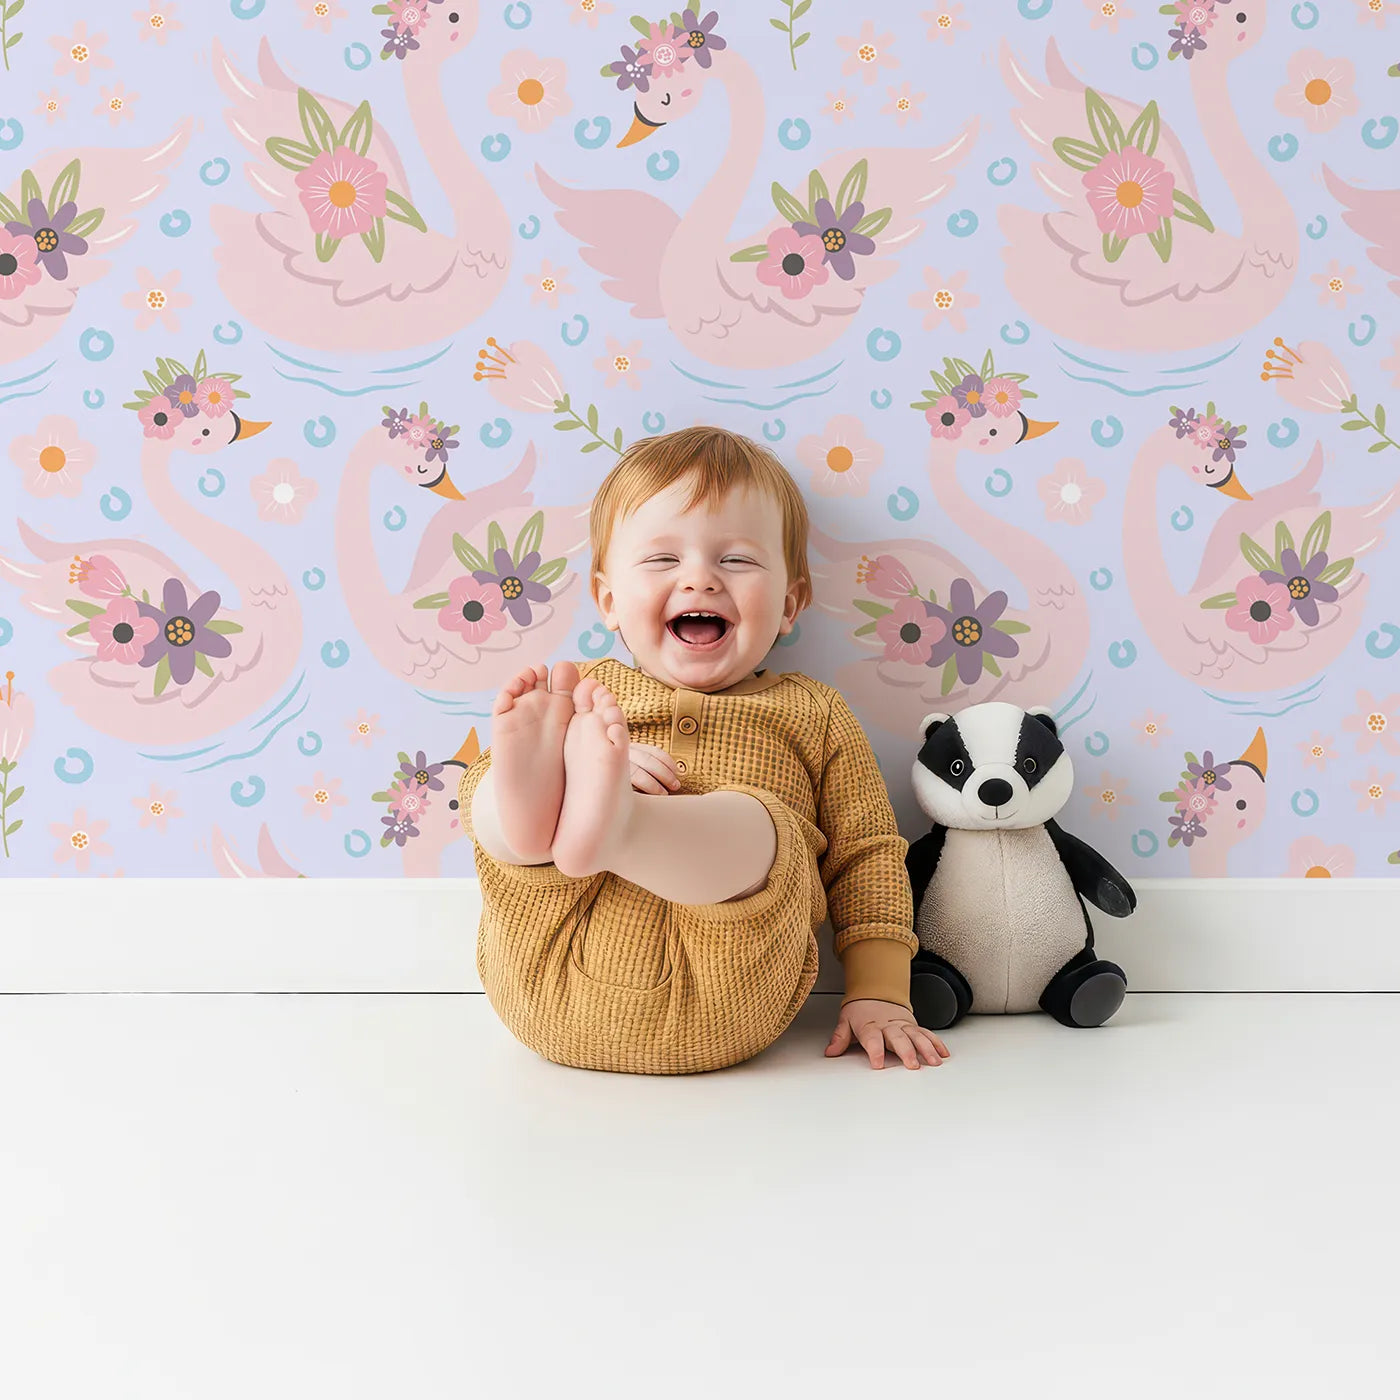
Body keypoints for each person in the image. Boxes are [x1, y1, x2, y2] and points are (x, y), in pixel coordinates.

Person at [457, 426, 950, 1075]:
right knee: (493, 795)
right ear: (607, 599)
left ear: (790, 603)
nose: (700, 580)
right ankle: (546, 808)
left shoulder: (812, 714)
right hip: (548, 968)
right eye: (663, 560)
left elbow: (867, 857)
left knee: (760, 824)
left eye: (737, 560)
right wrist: (570, 769)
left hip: (728, 992)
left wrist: (880, 991)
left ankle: (616, 826)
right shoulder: (581, 697)